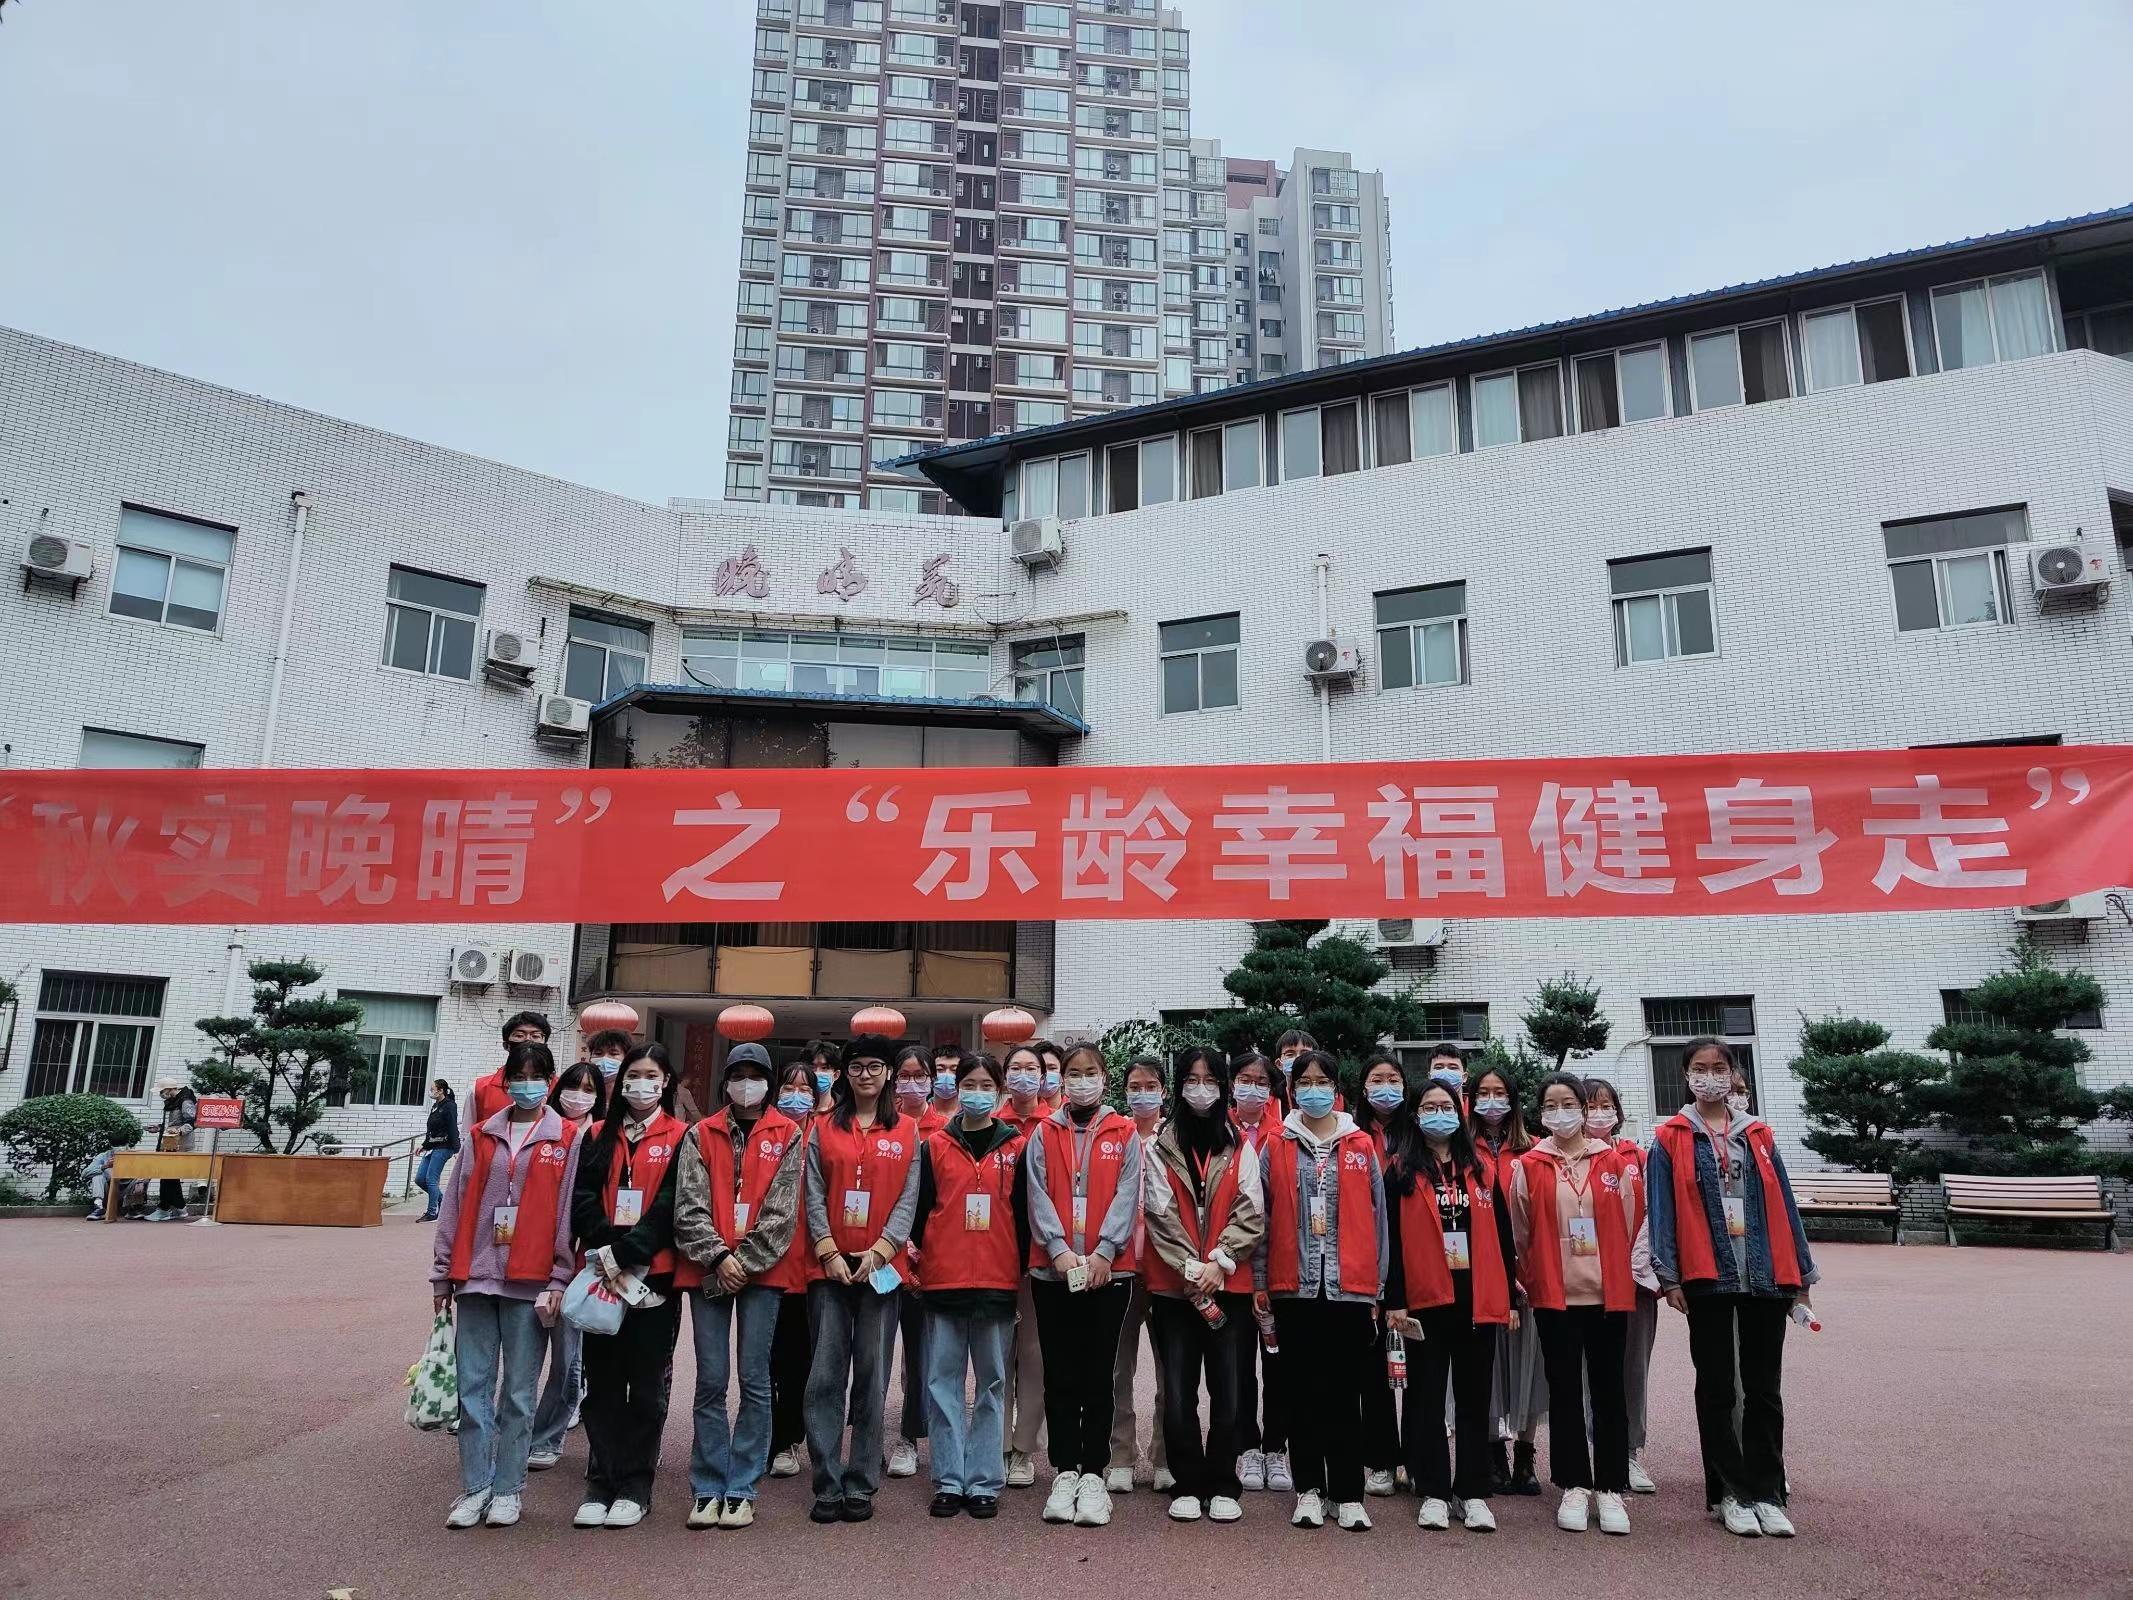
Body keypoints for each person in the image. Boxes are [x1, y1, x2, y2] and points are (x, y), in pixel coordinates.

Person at [1647, 1039, 1818, 1541]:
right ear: (1686, 1076)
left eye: (1719, 1067)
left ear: (1733, 1073)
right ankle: (1729, 1492)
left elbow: (1785, 1206)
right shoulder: (1670, 1138)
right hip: (1708, 1276)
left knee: (1764, 1389)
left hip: (1765, 1274)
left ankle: (1767, 1491)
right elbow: (1662, 1211)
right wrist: (1669, 1276)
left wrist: (1802, 1280)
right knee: (1717, 1386)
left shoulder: (1759, 1135)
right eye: (1700, 1068)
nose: (1710, 1076)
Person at [430, 1041, 580, 1529]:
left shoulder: (568, 1138)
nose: (527, 1085)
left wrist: (560, 1276)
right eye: (519, 1076)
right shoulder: (480, 1135)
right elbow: (454, 1205)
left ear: (550, 1082)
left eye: (537, 1076)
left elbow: (567, 1215)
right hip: (475, 1278)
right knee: (472, 1390)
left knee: (517, 1393)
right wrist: (442, 1273)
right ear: (506, 1081)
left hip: (530, 1282)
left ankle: (509, 1488)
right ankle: (475, 1486)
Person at [1508, 1072, 1650, 1537]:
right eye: (1551, 1105)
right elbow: (1521, 1231)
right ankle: (1573, 1483)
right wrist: (1538, 1277)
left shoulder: (1612, 1161)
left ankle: (1610, 1486)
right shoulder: (1530, 1165)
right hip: (1556, 1296)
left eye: (1569, 1103)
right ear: (1541, 1113)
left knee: (1609, 1390)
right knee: (1564, 1389)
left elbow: (1630, 1220)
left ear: (1584, 1108)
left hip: (1607, 1295)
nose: (1561, 1113)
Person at [673, 1040, 806, 1531]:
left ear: (768, 1082)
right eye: (737, 1075)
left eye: (755, 1075)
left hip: (762, 1273)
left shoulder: (788, 1133)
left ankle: (743, 1486)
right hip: (707, 1268)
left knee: (755, 1379)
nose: (746, 1084)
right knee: (710, 1379)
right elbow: (688, 1205)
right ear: (725, 1081)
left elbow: (782, 1210)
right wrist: (718, 1257)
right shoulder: (700, 1133)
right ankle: (707, 1484)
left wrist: (743, 1263)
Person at [1254, 1049, 1387, 1532]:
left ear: (1336, 1088)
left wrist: (1377, 1289)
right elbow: (1262, 1218)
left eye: (1322, 1081)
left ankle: (1348, 1493)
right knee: (1302, 1391)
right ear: (1292, 1090)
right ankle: (1309, 1488)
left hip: (1350, 1289)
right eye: (1304, 1081)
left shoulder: (1360, 1144)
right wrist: (1260, 1282)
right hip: (1294, 1287)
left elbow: (1379, 1219)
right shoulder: (1276, 1144)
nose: (1314, 1089)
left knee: (1346, 1393)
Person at [1385, 1079, 1517, 1533]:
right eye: (1429, 1106)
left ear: (1459, 1114)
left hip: (1476, 1300)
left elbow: (1502, 1235)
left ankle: (1472, 1491)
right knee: (1425, 1399)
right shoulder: (1400, 1171)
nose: (1437, 1113)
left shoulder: (1480, 1169)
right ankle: (1435, 1491)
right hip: (1425, 1303)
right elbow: (1391, 1242)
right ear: (1415, 1115)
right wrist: (1395, 1300)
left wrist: (1508, 1296)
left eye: (1445, 1106)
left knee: (1475, 1399)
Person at [803, 1033, 922, 1523]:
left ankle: (862, 1480)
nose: (865, 1075)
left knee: (872, 1379)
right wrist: (827, 1249)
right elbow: (812, 1190)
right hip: (828, 1270)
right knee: (825, 1377)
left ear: (888, 1073)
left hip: (881, 1271)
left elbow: (909, 1198)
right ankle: (827, 1481)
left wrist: (881, 1252)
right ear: (844, 1074)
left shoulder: (908, 1131)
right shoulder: (822, 1127)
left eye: (875, 1066)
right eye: (856, 1067)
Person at [1141, 1046, 1263, 1523]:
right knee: (1178, 1391)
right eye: (1191, 1080)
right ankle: (1188, 1483)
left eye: (1210, 1080)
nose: (1201, 1089)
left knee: (1228, 1390)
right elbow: (1159, 1214)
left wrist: (1220, 1262)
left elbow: (1251, 1209)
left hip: (1227, 1286)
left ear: (1223, 1087)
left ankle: (1224, 1482)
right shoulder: (1160, 1145)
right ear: (1179, 1086)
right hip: (1175, 1290)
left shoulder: (1239, 1144)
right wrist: (1192, 1271)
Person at [1025, 1041, 1143, 1529]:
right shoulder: (1043, 1131)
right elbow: (1036, 1192)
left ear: (1104, 1079)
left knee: (1099, 1374)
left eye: (1090, 1072)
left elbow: (1128, 1193)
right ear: (1060, 1081)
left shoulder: (1125, 1131)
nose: (1080, 1081)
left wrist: (1104, 1252)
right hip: (1052, 1272)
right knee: (1060, 1373)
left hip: (1108, 1272)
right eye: (1072, 1073)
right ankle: (1065, 1471)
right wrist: (1057, 1248)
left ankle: (1094, 1473)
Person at [570, 1043, 687, 1530]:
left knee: (645, 1385)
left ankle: (636, 1485)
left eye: (651, 1075)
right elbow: (581, 1197)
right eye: (634, 1075)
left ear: (666, 1082)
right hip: (602, 1273)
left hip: (653, 1277)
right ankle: (601, 1480)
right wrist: (607, 1248)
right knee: (601, 1384)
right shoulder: (598, 1133)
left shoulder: (682, 1135)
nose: (642, 1084)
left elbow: (671, 1204)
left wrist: (630, 1251)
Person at [910, 1052, 1026, 1520]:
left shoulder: (1017, 1147)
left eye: (986, 1085)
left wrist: (1019, 1268)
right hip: (944, 1279)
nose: (977, 1093)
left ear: (999, 1092)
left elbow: (1026, 1217)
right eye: (969, 1084)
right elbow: (919, 1213)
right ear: (957, 1089)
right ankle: (948, 1479)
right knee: (943, 1383)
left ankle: (983, 1480)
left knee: (993, 1384)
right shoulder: (935, 1146)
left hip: (998, 1279)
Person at [1582, 1075, 1660, 1495]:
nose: (1598, 1114)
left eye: (1606, 1105)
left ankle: (1628, 1452)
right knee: (1584, 1371)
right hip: (1582, 1282)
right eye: (1590, 1106)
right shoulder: (1563, 1157)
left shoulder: (1638, 1157)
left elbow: (1655, 1215)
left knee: (1632, 1368)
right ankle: (1588, 1450)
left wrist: (1641, 1268)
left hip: (1633, 1281)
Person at [527, 1063, 606, 1471]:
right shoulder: (540, 1130)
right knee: (525, 1357)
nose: (579, 1096)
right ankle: (518, 1431)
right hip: (529, 1258)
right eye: (573, 1087)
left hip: (577, 1263)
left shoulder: (599, 1137)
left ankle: (548, 1436)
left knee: (567, 1358)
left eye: (589, 1090)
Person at [1469, 1059, 1542, 1496]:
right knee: (1488, 1366)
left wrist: (1524, 1271)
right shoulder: (1463, 1150)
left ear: (1513, 1101)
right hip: (1481, 1273)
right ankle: (1493, 1451)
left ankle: (1526, 1455)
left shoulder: (1534, 1150)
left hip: (1528, 1274)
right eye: (1483, 1093)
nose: (1491, 1101)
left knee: (1530, 1365)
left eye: (1500, 1093)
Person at [1106, 1054, 1169, 1495]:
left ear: (1163, 1090)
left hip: (1166, 1269)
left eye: (1150, 1086)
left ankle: (1165, 1455)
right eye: (1135, 1087)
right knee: (1117, 1369)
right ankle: (1120, 1454)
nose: (1142, 1094)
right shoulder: (1117, 1135)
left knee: (1172, 1370)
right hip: (1122, 1267)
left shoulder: (1175, 1136)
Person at [1229, 1049, 1290, 1496]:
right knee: (1237, 1366)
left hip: (1278, 1268)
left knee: (1278, 1363)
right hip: (1232, 1267)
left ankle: (1277, 1447)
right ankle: (1247, 1445)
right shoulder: (1220, 1132)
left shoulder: (1285, 1134)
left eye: (1261, 1081)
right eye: (1245, 1080)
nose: (1252, 1088)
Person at [1352, 1051, 1409, 1499]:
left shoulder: (1418, 1132)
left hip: (1418, 1258)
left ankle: (1418, 1456)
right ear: (1363, 1086)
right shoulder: (1351, 1134)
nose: (1385, 1087)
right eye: (1377, 1079)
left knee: (1420, 1369)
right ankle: (1381, 1458)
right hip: (1368, 1260)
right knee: (1373, 1371)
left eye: (1393, 1078)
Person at [883, 1045, 937, 1481]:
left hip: (925, 1262)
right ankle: (866, 1436)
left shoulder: (945, 1130)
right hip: (881, 1257)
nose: (912, 1083)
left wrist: (923, 1248)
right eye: (905, 1075)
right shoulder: (883, 1125)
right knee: (876, 1352)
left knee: (921, 1356)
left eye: (921, 1076)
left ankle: (910, 1437)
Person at [997, 1040, 1049, 1486]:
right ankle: (995, 1443)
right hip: (995, 1254)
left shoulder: (1055, 1125)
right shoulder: (991, 1124)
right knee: (997, 1354)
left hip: (1041, 1257)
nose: (1024, 1076)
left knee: (1033, 1355)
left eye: (1032, 1068)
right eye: (1016, 1067)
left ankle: (1024, 1448)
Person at [766, 1061, 819, 1479]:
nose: (796, 1096)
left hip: (809, 1267)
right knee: (761, 1360)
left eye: (804, 1089)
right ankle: (765, 1435)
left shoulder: (821, 1137)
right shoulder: (762, 1135)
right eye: (789, 1087)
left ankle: (788, 1438)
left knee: (797, 1360)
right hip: (765, 1265)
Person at [467, 1012, 553, 1133]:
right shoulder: (480, 1089)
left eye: (535, 1036)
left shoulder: (561, 1088)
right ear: (506, 1045)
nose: (528, 1040)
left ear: (545, 1044)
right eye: (519, 1035)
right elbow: (468, 1135)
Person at [148, 1079, 198, 1220]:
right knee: (169, 1176)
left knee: (168, 1176)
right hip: (169, 1144)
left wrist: (178, 1132)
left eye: (161, 1091)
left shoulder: (185, 1101)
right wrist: (159, 1128)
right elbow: (173, 1123)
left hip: (179, 1145)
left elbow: (192, 1122)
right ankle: (179, 1208)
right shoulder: (171, 1102)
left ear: (169, 1089)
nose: (160, 1095)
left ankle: (165, 1209)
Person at [416, 1079, 460, 1224]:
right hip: (432, 1147)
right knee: (420, 1179)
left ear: (440, 1091)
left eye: (433, 1089)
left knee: (431, 1180)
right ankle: (444, 1202)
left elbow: (453, 1128)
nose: (431, 1092)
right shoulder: (435, 1106)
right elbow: (431, 1129)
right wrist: (424, 1145)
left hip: (444, 1147)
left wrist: (457, 1149)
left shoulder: (449, 1106)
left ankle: (432, 1212)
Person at [805, 1038, 841, 1114]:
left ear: (836, 1075)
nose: (817, 1073)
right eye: (812, 1067)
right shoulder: (795, 1109)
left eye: (824, 1068)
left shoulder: (844, 1111)